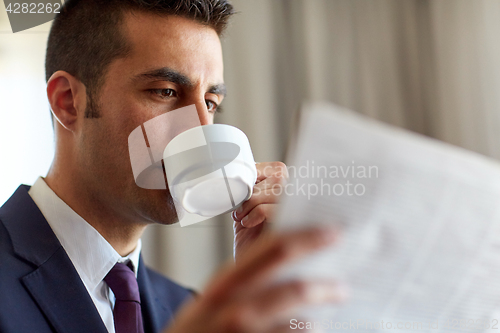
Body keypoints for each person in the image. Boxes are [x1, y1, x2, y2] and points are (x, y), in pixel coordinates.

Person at [0, 0, 346, 332]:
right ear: (68, 102)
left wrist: (261, 288)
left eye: (211, 102)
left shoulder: (190, 309)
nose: (200, 129)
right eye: (165, 92)